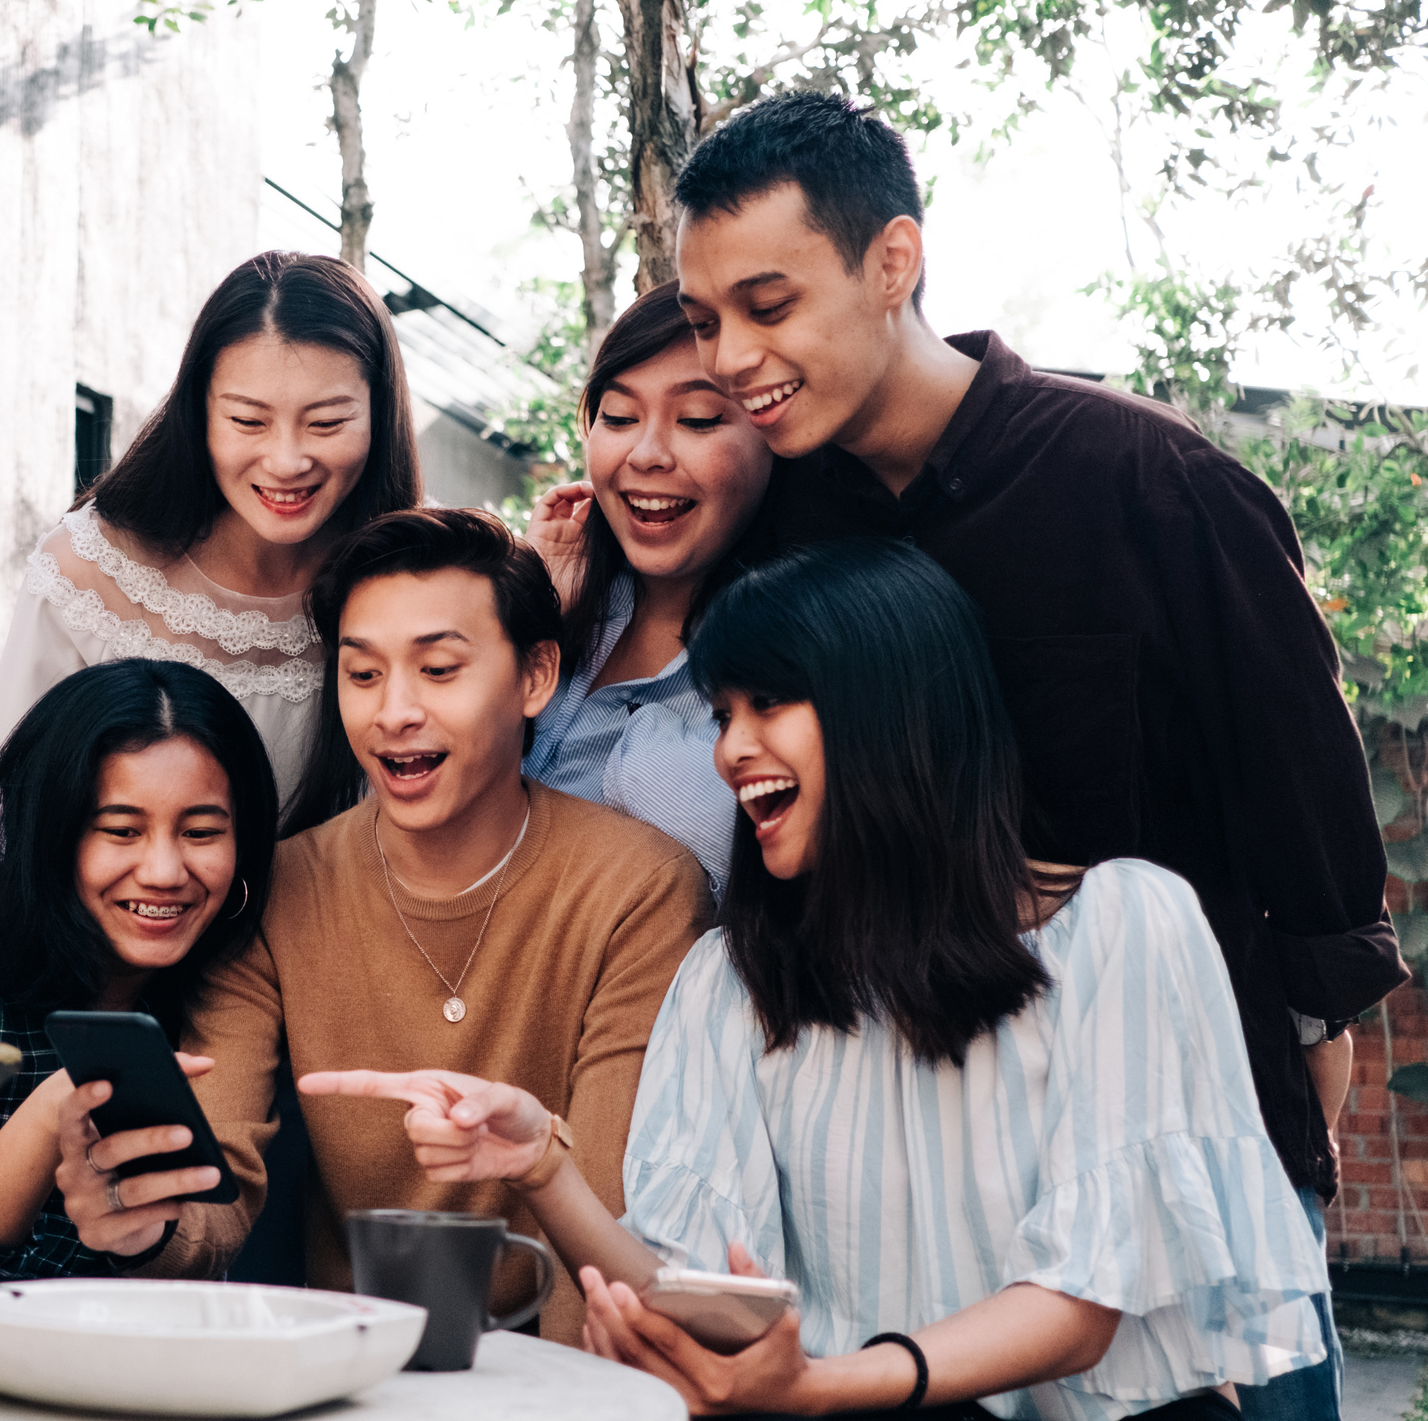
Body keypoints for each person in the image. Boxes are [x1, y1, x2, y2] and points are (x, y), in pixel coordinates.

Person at [670, 90, 1403, 1416]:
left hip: (1187, 1207)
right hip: (923, 1233)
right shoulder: (787, 536)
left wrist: (1260, 1163)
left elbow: (1320, 873)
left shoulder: (1151, 487)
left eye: (767, 307)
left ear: (894, 263)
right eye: (706, 320)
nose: (730, 356)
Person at [315, 539, 1331, 1421]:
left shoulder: (1120, 925)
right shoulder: (735, 978)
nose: (732, 749)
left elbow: (1080, 1304)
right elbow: (700, 1287)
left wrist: (823, 1388)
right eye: (722, 712)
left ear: (896, 703)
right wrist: (543, 1169)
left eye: (771, 701)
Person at [37, 509, 710, 1348]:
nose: (393, 711)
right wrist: (148, 1226)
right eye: (362, 675)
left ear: (536, 676)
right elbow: (221, 1179)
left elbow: (609, 1220)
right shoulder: (279, 888)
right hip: (352, 1368)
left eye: (437, 669)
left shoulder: (639, 888)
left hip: (562, 1377)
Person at [0, 251, 421, 927]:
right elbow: (8, 798)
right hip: (109, 952)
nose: (287, 460)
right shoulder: (97, 565)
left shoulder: (410, 570)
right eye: (248, 421)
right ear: (198, 411)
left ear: (379, 414)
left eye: (327, 423)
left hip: (314, 957)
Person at [0, 657, 278, 1280]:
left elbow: (216, 1229)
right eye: (121, 831)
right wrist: (62, 1101)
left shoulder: (232, 993)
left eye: (201, 832)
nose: (164, 871)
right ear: (55, 833)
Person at [521, 281, 775, 895]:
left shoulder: (798, 665)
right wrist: (524, 611)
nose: (647, 453)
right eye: (618, 417)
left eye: (698, 419)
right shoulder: (560, 602)